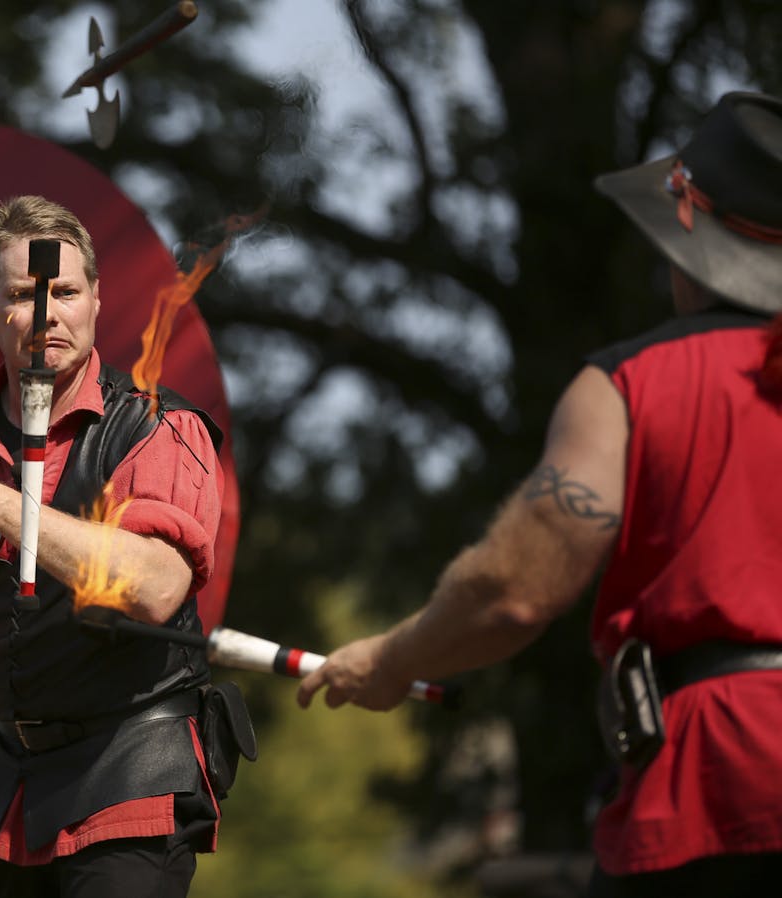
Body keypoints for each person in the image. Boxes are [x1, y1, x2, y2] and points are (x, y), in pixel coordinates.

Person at [296, 91, 782, 897]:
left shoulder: (632, 382)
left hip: (718, 787)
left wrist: (390, 658)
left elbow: (515, 590)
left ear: (690, 247)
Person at [0, 195, 227, 897]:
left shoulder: (158, 427)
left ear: (95, 300)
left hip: (130, 769)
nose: (45, 313)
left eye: (64, 292)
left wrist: (0, 506)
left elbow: (154, 587)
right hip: (2, 783)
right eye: (22, 294)